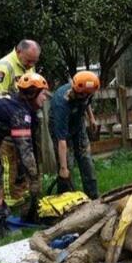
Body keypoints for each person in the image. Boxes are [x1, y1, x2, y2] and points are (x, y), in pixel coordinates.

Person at [0, 73, 48, 240]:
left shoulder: (13, 102)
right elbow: (25, 151)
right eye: (43, 93)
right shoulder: (20, 113)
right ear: (32, 93)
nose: (45, 98)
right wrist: (34, 180)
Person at [0, 40, 42, 207]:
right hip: (6, 125)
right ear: (19, 52)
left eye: (34, 61)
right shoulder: (4, 68)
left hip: (22, 121)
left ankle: (21, 192)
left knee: (23, 159)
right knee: (8, 161)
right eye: (29, 61)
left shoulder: (27, 66)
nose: (31, 65)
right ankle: (9, 199)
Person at [49, 71, 100, 199]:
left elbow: (86, 102)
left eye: (90, 94)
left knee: (86, 159)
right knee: (67, 166)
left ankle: (93, 197)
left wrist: (91, 118)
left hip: (78, 123)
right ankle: (67, 199)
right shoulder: (60, 104)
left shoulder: (87, 91)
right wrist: (63, 167)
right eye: (85, 95)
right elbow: (61, 140)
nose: (88, 96)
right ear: (77, 91)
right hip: (62, 128)